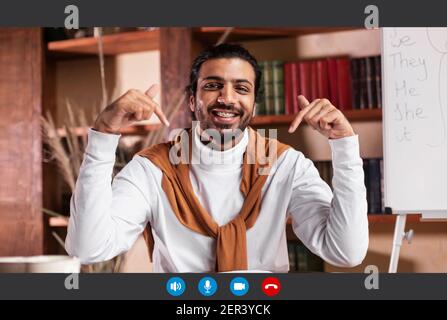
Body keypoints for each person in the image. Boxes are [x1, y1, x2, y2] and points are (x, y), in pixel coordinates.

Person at [65, 44, 368, 272]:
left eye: (241, 88)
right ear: (193, 100)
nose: (227, 98)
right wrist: (104, 133)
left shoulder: (285, 165)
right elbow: (87, 248)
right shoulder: (150, 168)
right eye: (213, 85)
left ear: (254, 105)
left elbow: (345, 252)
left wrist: (343, 145)